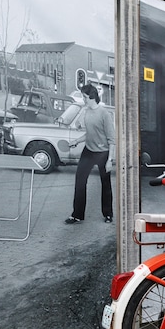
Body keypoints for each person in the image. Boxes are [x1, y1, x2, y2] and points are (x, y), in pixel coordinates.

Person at [65, 83, 115, 224]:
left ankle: (108, 214)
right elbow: (89, 134)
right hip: (88, 150)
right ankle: (77, 215)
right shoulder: (86, 111)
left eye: (85, 97)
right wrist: (77, 141)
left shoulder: (104, 113)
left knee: (105, 184)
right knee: (80, 180)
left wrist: (109, 159)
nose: (84, 99)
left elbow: (111, 139)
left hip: (103, 152)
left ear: (92, 97)